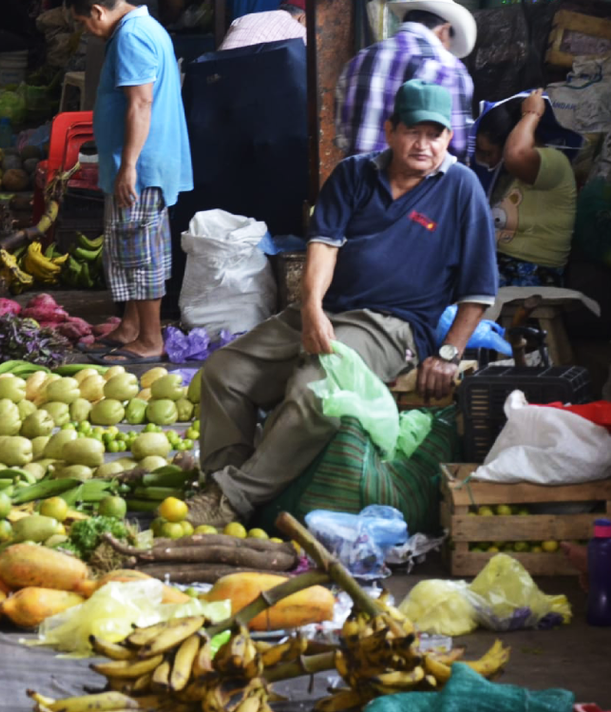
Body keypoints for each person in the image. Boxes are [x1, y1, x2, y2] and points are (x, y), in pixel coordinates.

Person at [190, 81, 498, 525]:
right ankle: (222, 485)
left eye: (435, 135)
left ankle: (231, 500)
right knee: (226, 371)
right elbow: (324, 246)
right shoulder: (355, 174)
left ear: (448, 138)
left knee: (316, 389)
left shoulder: (461, 188)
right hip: (329, 311)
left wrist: (449, 353)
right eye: (413, 131)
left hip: (392, 326)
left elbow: (478, 290)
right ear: (390, 130)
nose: (423, 144)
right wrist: (311, 308)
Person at [69, 0, 193, 366]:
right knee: (130, 248)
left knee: (140, 255)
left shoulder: (132, 37)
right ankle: (130, 327)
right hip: (141, 161)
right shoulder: (140, 29)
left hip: (142, 164)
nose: (86, 31)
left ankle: (150, 340)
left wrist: (129, 165)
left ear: (97, 10)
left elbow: (140, 103)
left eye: (82, 22)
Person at [336, 0, 476, 162]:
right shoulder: (448, 67)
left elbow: (342, 133)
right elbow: (458, 144)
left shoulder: (358, 60)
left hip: (357, 174)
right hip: (417, 176)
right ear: (444, 31)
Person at [474, 90, 577, 288]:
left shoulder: (555, 163)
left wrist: (531, 114)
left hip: (532, 272)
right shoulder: (502, 178)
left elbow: (516, 155)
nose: (486, 160)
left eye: (489, 153)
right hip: (499, 263)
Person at [218, 0, 306, 51]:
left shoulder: (244, 18)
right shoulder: (296, 28)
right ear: (303, 18)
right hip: (248, 72)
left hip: (218, 71)